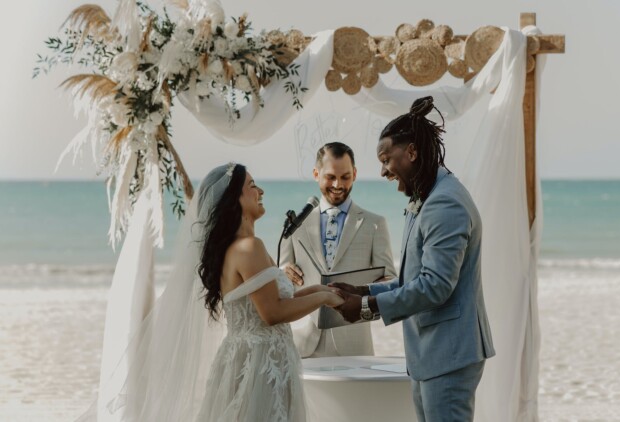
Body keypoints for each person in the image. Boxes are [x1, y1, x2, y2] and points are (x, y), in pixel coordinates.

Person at [81, 163, 343, 422]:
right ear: (234, 200)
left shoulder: (237, 248)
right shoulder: (249, 247)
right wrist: (324, 299)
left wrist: (320, 289)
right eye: (252, 186)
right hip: (261, 365)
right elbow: (272, 313)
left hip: (255, 358)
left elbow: (274, 300)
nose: (260, 191)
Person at [332, 97, 495, 421]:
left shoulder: (444, 204)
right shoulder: (429, 196)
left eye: (386, 159)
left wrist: (366, 309)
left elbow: (435, 286)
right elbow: (414, 281)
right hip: (433, 353)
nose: (382, 171)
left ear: (411, 153)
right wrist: (363, 291)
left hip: (448, 354)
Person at [280, 142, 397, 357]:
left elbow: (390, 281)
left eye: (345, 177)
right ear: (316, 174)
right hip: (302, 344)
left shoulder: (375, 224)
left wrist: (365, 292)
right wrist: (283, 271)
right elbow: (281, 284)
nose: (338, 184)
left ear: (355, 174)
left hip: (354, 345)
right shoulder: (296, 224)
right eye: (330, 177)